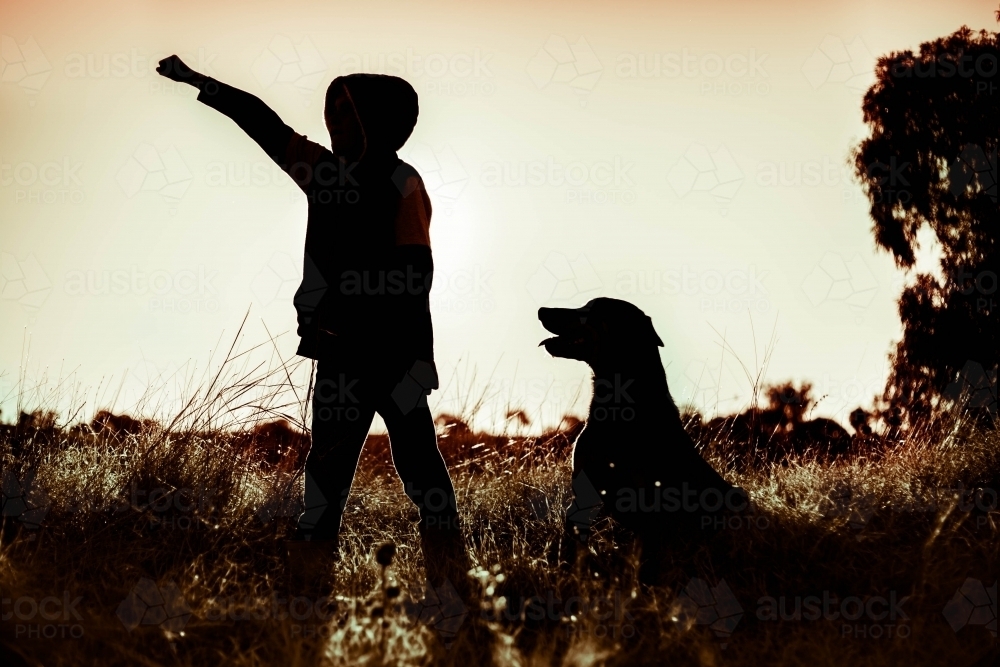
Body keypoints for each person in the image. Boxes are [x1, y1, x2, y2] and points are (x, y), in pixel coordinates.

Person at [156, 55, 469, 600]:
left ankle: (453, 584)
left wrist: (420, 360)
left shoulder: (401, 181)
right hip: (339, 354)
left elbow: (418, 276)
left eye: (350, 114)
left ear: (382, 121)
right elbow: (263, 122)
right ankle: (306, 595)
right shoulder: (323, 173)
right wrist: (201, 81)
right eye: (333, 114)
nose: (336, 124)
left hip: (394, 357)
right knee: (323, 484)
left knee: (422, 474)